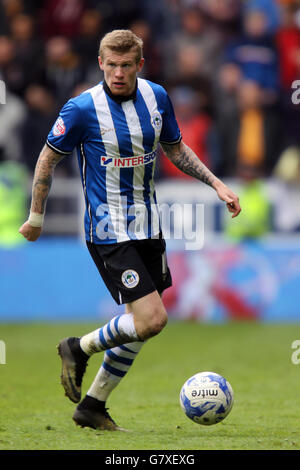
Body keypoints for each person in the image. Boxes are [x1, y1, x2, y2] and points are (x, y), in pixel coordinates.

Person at [19, 29, 241, 431]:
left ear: (140, 65)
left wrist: (216, 184)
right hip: (108, 229)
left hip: (149, 224)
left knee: (139, 326)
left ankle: (92, 405)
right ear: (101, 63)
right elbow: (46, 161)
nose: (118, 73)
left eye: (126, 65)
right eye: (111, 65)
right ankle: (77, 347)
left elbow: (175, 148)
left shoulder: (157, 97)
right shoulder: (81, 109)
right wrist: (37, 217)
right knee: (153, 319)